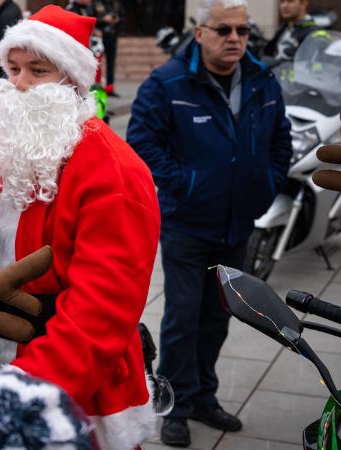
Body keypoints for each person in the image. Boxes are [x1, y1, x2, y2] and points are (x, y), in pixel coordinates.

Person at [0, 6, 161, 450]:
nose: (18, 84)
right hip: (1, 353)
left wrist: (28, 383)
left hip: (72, 374)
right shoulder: (14, 151)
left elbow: (103, 309)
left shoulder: (114, 171)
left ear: (73, 82)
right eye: (13, 68)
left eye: (38, 71)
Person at [127, 0, 293, 446]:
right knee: (182, 318)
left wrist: (267, 182)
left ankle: (204, 396)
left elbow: (282, 139)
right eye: (224, 29)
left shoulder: (262, 80)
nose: (236, 38)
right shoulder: (168, 83)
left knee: (219, 317)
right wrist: (183, 185)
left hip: (238, 222)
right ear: (199, 33)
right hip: (187, 225)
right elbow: (141, 143)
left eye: (242, 30)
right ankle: (175, 406)